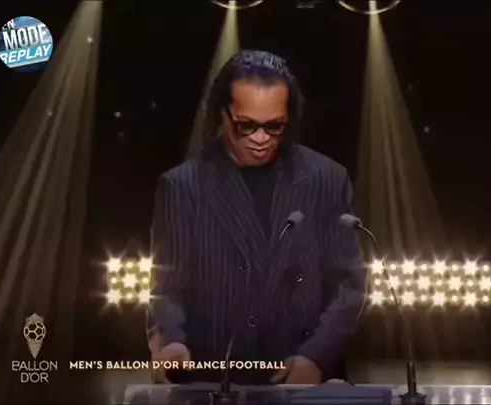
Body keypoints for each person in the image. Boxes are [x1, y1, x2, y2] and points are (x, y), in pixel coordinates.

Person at [147, 50, 367, 385]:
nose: (261, 138)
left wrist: (316, 357)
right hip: (214, 379)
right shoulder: (182, 187)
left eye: (274, 126)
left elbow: (351, 284)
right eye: (246, 125)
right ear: (221, 114)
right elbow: (167, 286)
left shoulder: (327, 179)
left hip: (304, 380)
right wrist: (172, 342)